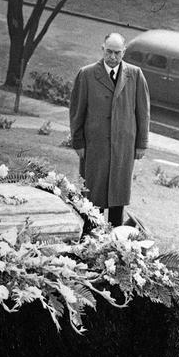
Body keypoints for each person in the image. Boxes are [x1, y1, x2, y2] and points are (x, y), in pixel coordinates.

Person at [69, 32, 150, 227]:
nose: (112, 57)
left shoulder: (135, 75)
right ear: (102, 49)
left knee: (117, 197)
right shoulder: (87, 74)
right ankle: (89, 239)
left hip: (123, 147)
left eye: (117, 53)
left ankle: (114, 243)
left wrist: (141, 144)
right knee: (92, 197)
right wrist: (78, 142)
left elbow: (143, 113)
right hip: (95, 147)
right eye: (109, 52)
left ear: (124, 52)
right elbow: (76, 111)